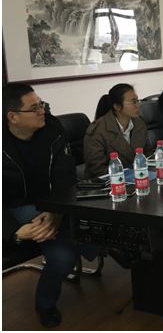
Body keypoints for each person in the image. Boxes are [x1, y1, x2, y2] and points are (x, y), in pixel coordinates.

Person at [3, 83, 102, 328]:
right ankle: (100, 244)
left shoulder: (53, 129)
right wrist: (14, 233)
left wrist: (56, 210)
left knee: (63, 255)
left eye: (42, 105)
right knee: (63, 250)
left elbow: (65, 174)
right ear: (12, 117)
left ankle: (45, 303)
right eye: (34, 108)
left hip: (53, 201)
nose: (43, 112)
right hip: (14, 208)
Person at [83, 84, 154, 179]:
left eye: (138, 101)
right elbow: (97, 170)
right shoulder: (98, 131)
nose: (138, 105)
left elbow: (148, 153)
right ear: (117, 106)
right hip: (109, 182)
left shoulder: (139, 123)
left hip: (138, 178)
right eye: (133, 102)